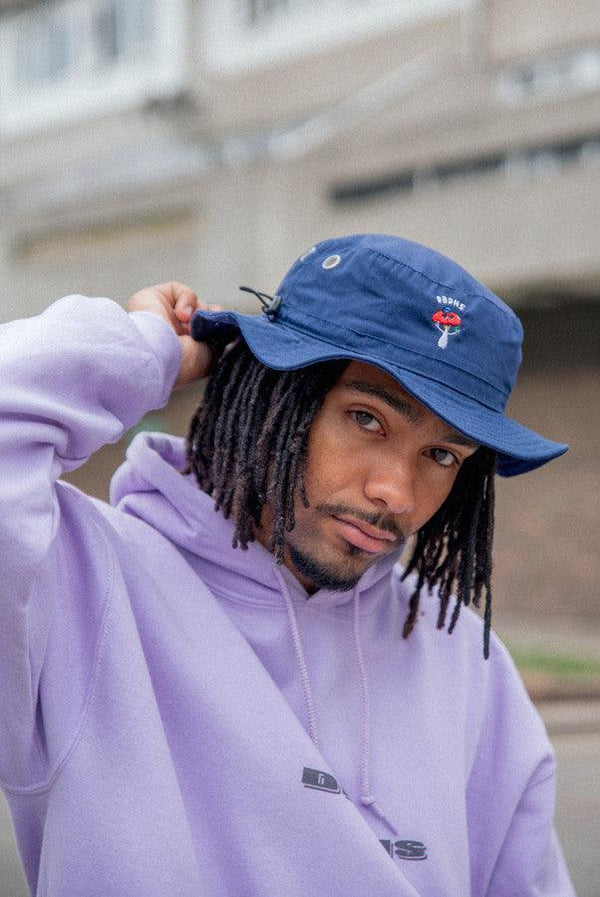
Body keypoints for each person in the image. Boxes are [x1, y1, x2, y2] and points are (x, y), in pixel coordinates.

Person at [0, 234, 575, 896]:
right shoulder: (78, 585)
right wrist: (141, 352)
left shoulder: (464, 660)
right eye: (367, 418)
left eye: (443, 455)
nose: (398, 490)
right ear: (277, 390)